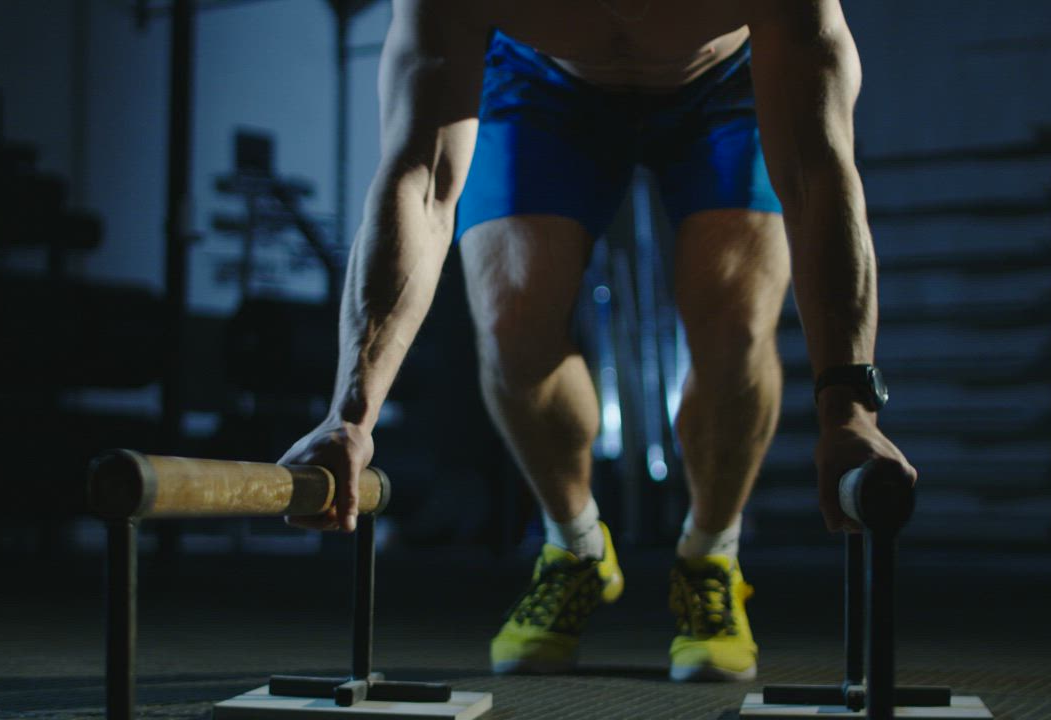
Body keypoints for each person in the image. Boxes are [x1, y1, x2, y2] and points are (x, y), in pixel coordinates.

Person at [281, 0, 917, 682]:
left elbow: (818, 175)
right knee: (512, 322)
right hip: (539, 81)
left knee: (734, 323)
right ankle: (575, 544)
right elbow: (422, 180)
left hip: (727, 79)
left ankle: (711, 555)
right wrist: (351, 415)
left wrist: (850, 410)